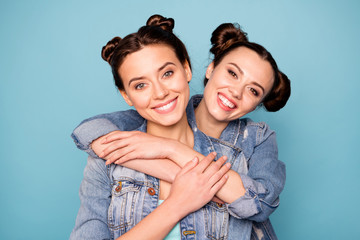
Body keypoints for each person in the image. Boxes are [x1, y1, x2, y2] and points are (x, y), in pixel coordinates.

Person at [71, 15, 291, 240]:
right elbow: (88, 130)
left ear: (186, 69)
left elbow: (261, 203)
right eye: (140, 85)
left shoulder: (236, 154)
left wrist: (169, 148)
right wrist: (178, 203)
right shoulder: (107, 158)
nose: (159, 92)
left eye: (167, 73)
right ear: (126, 95)